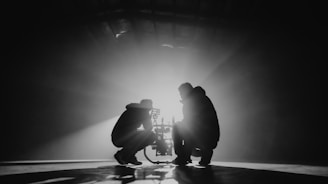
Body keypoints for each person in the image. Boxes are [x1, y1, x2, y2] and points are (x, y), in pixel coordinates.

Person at [172, 82, 220, 166]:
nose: (180, 95)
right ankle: (205, 152)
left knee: (177, 127)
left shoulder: (192, 101)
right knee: (186, 128)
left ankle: (182, 156)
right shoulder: (202, 98)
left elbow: (190, 123)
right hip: (211, 139)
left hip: (202, 136)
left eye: (181, 93)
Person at [111, 99, 156, 165]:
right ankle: (122, 154)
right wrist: (149, 117)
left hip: (117, 137)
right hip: (124, 136)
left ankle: (129, 156)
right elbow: (148, 127)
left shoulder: (132, 110)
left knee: (140, 135)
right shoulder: (143, 112)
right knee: (151, 136)